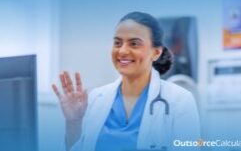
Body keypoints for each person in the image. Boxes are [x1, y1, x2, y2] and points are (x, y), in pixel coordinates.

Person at [52, 12, 200, 151]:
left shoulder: (180, 100)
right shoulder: (95, 98)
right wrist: (73, 122)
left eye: (134, 43)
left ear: (156, 52)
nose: (122, 51)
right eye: (117, 43)